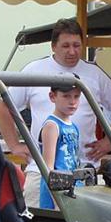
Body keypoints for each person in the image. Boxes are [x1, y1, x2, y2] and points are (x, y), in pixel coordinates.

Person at [0, 19, 111, 206]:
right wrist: (14, 145)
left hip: (84, 170)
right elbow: (3, 107)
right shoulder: (34, 70)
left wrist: (108, 142)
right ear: (53, 46)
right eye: (66, 46)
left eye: (77, 45)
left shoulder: (93, 73)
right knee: (39, 220)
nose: (72, 51)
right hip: (41, 170)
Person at [38, 82, 82, 211]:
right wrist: (56, 201)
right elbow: (48, 168)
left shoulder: (73, 127)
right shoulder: (52, 126)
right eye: (66, 96)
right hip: (56, 195)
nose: (72, 102)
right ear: (53, 96)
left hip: (72, 190)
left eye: (76, 96)